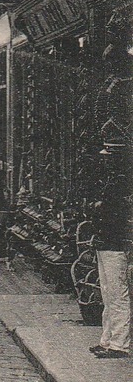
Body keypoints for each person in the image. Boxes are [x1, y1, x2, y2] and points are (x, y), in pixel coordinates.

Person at [89, 149, 132, 359]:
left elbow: (112, 214)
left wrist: (99, 207)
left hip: (115, 244)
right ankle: (107, 340)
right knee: (108, 294)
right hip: (105, 243)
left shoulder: (120, 185)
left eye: (108, 158)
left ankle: (119, 344)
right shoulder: (111, 183)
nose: (104, 161)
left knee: (117, 295)